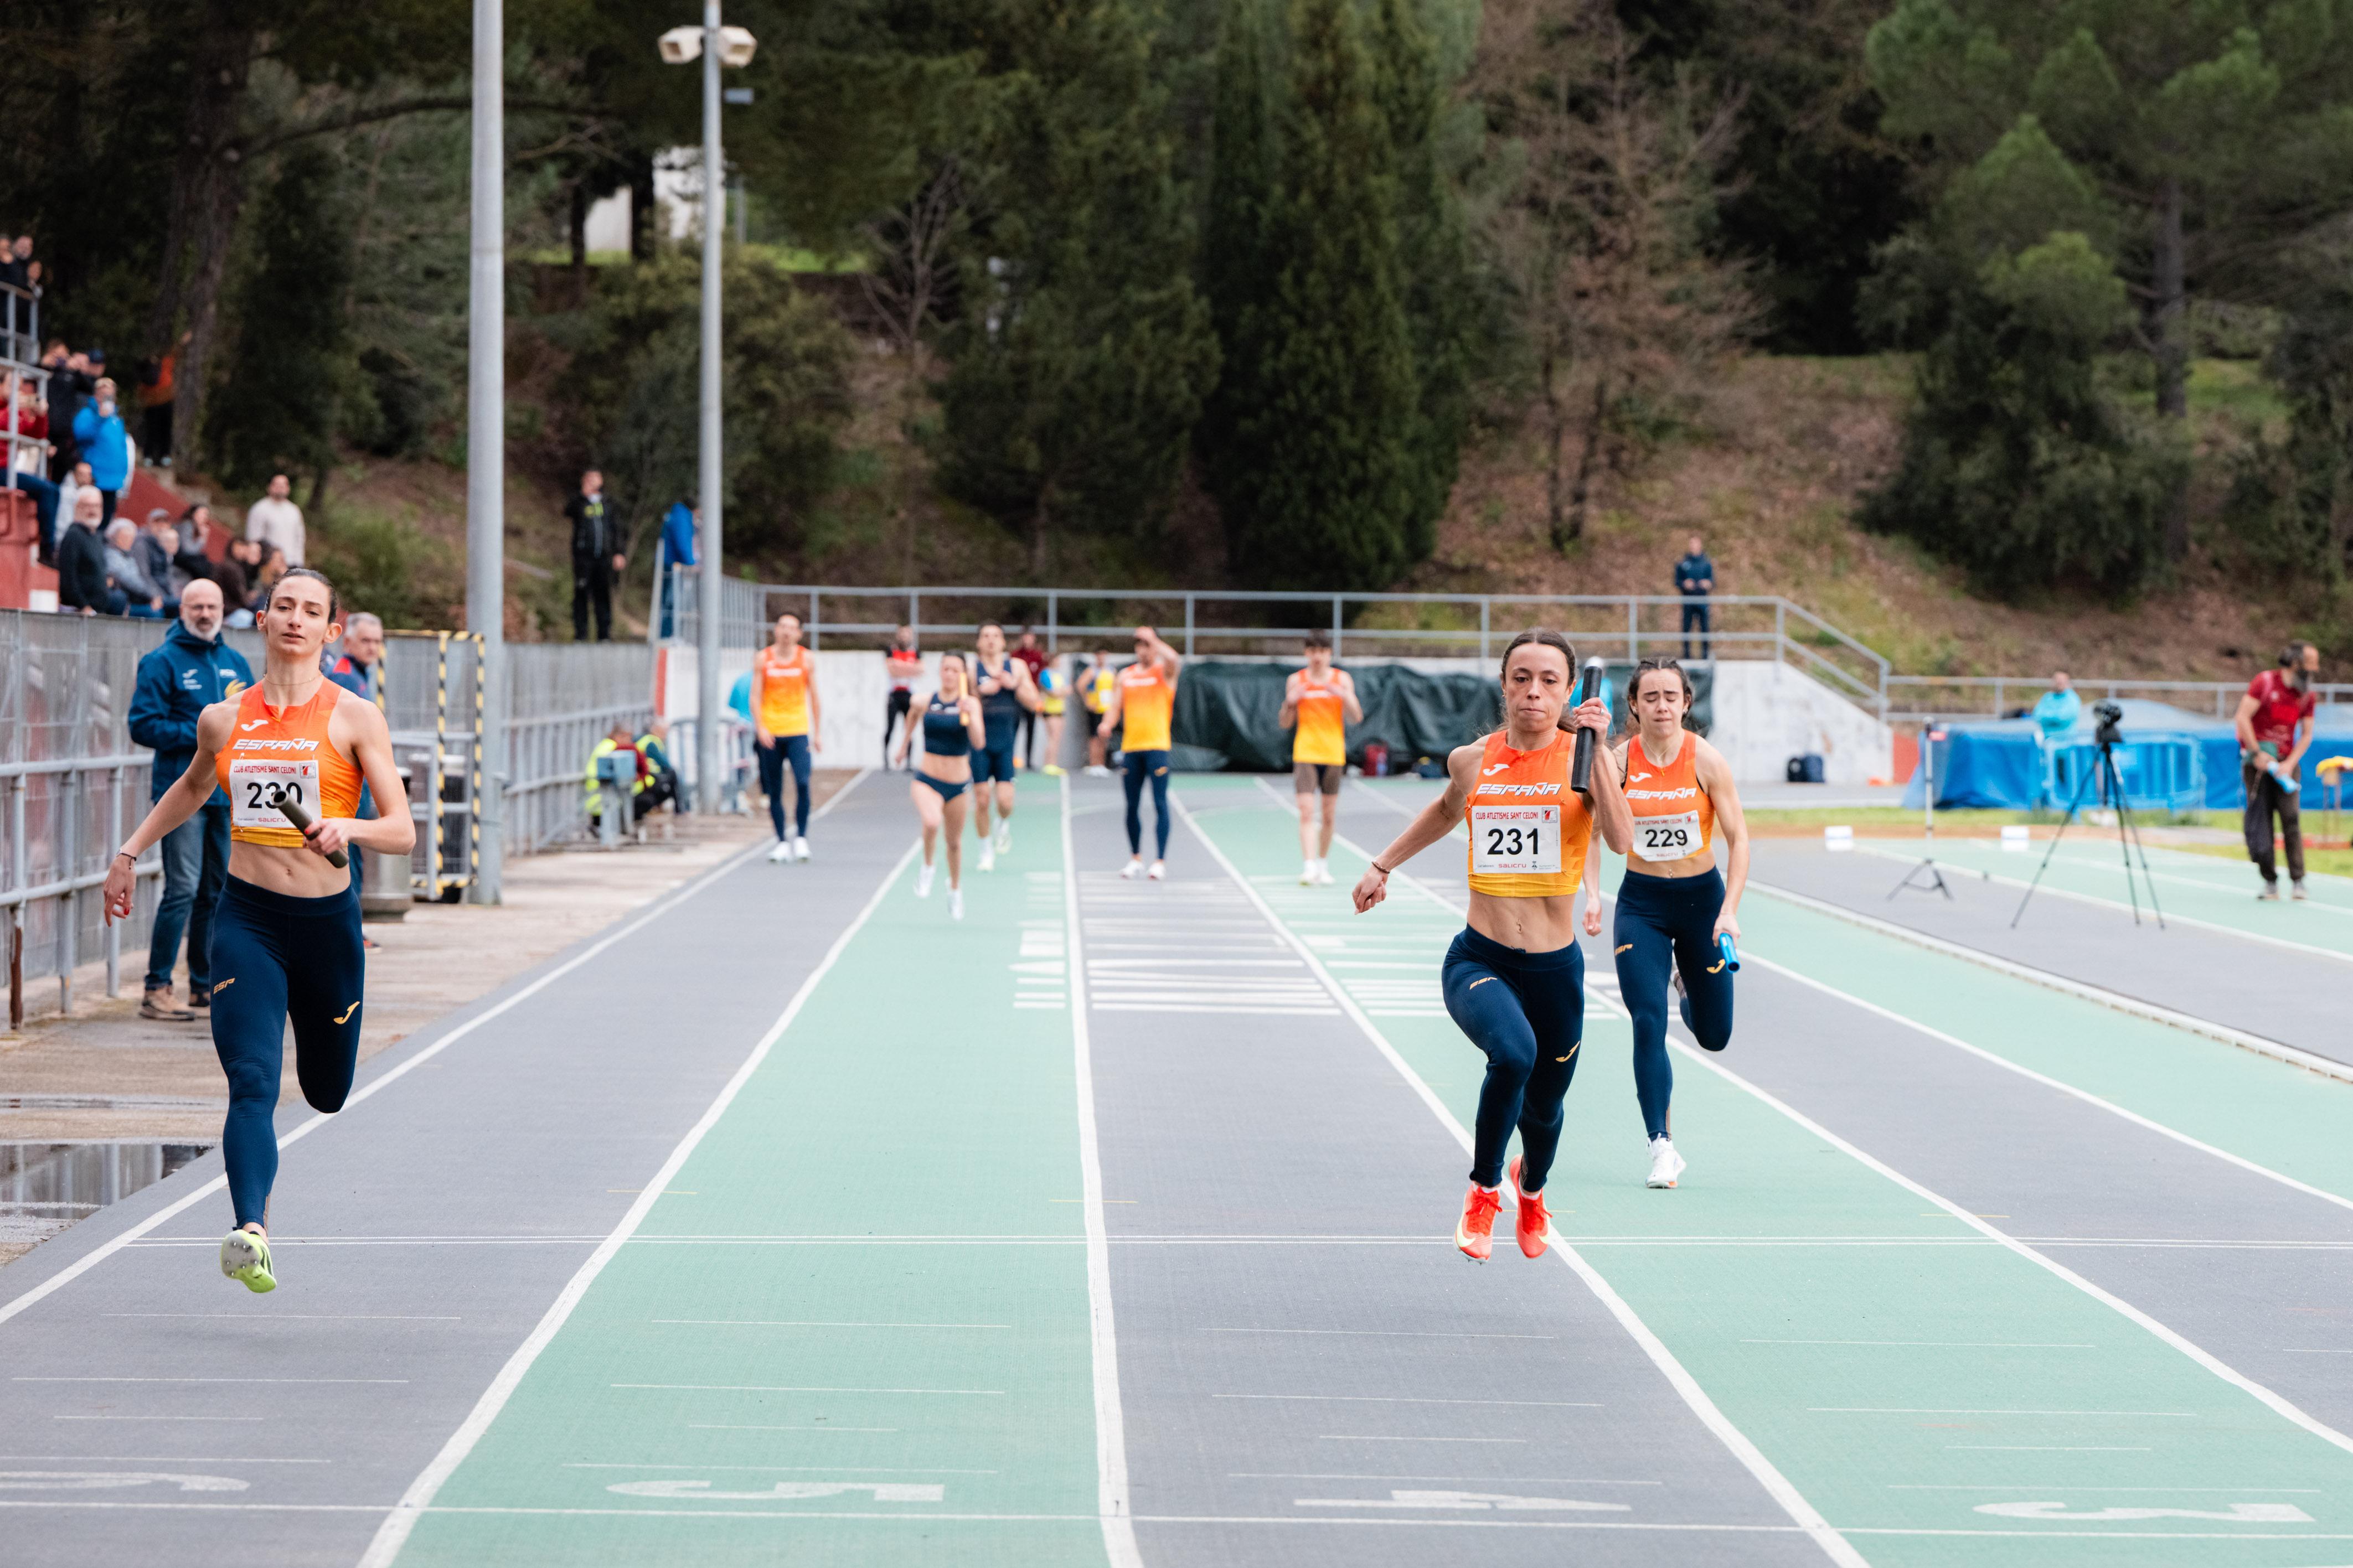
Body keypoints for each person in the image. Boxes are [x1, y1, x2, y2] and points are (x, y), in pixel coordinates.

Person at [102, 567, 416, 1294]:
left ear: (331, 630)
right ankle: (252, 1231)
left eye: (313, 611)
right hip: (247, 919)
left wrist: (350, 825)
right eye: (285, 607)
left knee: (328, 1090)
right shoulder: (224, 717)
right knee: (251, 1082)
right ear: (265, 619)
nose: (297, 619)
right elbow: (191, 785)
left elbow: (401, 830)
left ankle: (308, 1099)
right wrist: (128, 853)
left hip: (325, 925)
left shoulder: (354, 716)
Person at [1351, 630, 1631, 1262]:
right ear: (1503, 685)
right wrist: (1382, 865)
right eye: (1521, 678)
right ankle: (1482, 1189)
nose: (1533, 692)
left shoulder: (1586, 761)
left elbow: (1618, 840)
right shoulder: (1473, 759)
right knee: (1512, 1054)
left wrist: (1601, 750)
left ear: (1567, 691)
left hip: (1555, 969)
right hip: (1480, 958)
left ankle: (1530, 1189)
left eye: (1548, 681)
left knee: (1545, 1110)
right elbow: (1446, 810)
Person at [1582, 658, 1748, 1191]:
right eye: (1650, 697)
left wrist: (1730, 910)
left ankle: (1688, 983)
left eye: (1670, 697)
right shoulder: (1617, 761)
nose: (1660, 706)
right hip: (1643, 906)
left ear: (1685, 703)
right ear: (1632, 704)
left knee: (1715, 1035)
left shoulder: (1707, 761)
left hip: (1703, 903)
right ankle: (1661, 1146)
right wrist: (1591, 895)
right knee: (1647, 1021)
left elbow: (1739, 840)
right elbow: (1588, 834)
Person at [127, 579, 253, 1020]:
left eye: (212, 605)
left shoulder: (235, 661)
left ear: (223, 609)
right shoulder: (162, 661)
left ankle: (204, 985)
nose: (205, 613)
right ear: (182, 609)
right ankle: (156, 986)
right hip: (182, 793)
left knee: (217, 892)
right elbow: (142, 725)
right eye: (196, 605)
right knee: (181, 888)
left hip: (227, 796)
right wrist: (204, 734)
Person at [894, 652, 989, 921]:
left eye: (955, 670)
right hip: (927, 778)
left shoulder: (969, 704)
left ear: (963, 676)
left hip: (958, 783)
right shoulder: (926, 701)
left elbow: (979, 742)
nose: (949, 674)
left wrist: (970, 716)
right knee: (932, 821)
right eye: (945, 669)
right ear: (940, 672)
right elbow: (912, 715)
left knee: (954, 843)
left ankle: (955, 889)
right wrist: (903, 745)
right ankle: (927, 866)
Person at [2237, 641, 2320, 901]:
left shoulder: (2307, 695)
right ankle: (2270, 880)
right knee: (2261, 821)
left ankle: (2298, 880)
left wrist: (2290, 763)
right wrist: (2257, 752)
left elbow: (2306, 735)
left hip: (2286, 765)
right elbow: (2242, 718)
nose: (2315, 670)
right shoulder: (2265, 683)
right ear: (2296, 663)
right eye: (2311, 664)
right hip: (2259, 764)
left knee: (2291, 818)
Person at [1097, 626, 1181, 881]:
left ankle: (1159, 861)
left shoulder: (1163, 672)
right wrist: (1107, 724)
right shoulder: (1125, 676)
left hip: (1157, 747)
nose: (1142, 649)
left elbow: (1175, 660)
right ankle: (1135, 858)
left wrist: (1155, 640)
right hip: (1132, 748)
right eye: (1139, 645)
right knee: (1132, 806)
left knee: (1159, 803)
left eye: (1147, 645)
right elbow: (1115, 706)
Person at [1279, 632, 1363, 886]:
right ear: (1306, 653)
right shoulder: (1296, 680)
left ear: (1329, 654)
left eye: (1322, 651)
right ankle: (1309, 866)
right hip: (1305, 752)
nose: (1317, 657)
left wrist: (1343, 695)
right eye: (1312, 651)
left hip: (1333, 752)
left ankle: (1323, 864)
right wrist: (1290, 702)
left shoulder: (1342, 679)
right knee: (1306, 811)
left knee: (1328, 814)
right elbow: (1285, 723)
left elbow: (1356, 717)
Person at [969, 622, 1040, 870]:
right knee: (981, 799)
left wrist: (1014, 685)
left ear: (1003, 642)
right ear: (979, 642)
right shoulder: (972, 669)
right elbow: (962, 705)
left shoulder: (1017, 667)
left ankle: (1002, 822)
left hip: (1006, 742)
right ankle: (985, 852)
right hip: (979, 743)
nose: (990, 640)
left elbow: (1035, 703)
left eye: (995, 636)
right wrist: (980, 692)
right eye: (985, 636)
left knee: (1005, 802)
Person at [751, 610, 821, 862]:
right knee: (774, 789)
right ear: (775, 630)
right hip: (771, 732)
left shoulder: (806, 659)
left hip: (798, 730)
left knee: (803, 782)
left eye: (792, 628)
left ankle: (801, 838)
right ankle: (781, 840)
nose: (786, 631)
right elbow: (755, 697)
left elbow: (814, 697)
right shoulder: (764, 658)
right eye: (782, 626)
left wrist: (818, 732)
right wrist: (761, 727)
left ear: (799, 633)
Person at [565, 468, 622, 642]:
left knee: (603, 595)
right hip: (584, 557)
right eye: (589, 479)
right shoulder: (579, 502)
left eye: (596, 479)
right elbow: (568, 511)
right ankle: (580, 635)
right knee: (581, 594)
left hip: (604, 557)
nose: (593, 482)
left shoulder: (608, 503)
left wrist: (619, 552)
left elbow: (617, 529)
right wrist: (582, 495)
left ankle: (604, 635)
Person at [71, 377, 130, 523]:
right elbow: (81, 435)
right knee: (90, 518)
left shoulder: (116, 419)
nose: (106, 398)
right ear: (96, 395)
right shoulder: (87, 414)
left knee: (106, 519)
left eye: (110, 395)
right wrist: (100, 419)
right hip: (95, 478)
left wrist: (123, 475)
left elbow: (122, 447)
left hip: (114, 480)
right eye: (103, 394)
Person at [55, 487, 111, 614]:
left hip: (96, 611)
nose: (93, 510)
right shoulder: (74, 535)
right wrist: (84, 606)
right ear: (77, 507)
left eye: (97, 506)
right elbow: (68, 577)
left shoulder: (96, 536)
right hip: (79, 613)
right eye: (87, 506)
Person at [104, 518, 168, 618]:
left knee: (167, 606)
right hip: (125, 604)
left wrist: (155, 595)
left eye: (131, 538)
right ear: (114, 538)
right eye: (124, 538)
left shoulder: (128, 556)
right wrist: (152, 596)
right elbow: (129, 580)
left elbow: (141, 579)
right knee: (156, 612)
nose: (129, 542)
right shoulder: (111, 555)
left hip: (139, 600)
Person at [244, 473, 307, 567]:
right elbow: (254, 537)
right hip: (267, 563)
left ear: (288, 488)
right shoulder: (260, 508)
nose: (280, 488)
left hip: (290, 562)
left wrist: (299, 562)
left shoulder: (294, 511)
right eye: (277, 485)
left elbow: (300, 538)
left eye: (283, 485)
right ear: (269, 487)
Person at [657, 496, 696, 640]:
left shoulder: (679, 515)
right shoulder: (682, 518)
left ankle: (668, 633)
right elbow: (682, 542)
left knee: (671, 600)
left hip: (672, 564)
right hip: (674, 565)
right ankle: (667, 634)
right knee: (671, 600)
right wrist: (691, 563)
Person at [883, 626, 921, 768]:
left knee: (909, 728)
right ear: (898, 636)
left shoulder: (915, 651)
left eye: (907, 634)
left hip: (909, 696)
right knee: (890, 728)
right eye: (902, 634)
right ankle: (886, 759)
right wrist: (909, 669)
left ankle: (909, 762)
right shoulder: (891, 651)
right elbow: (891, 671)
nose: (904, 637)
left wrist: (900, 667)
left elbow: (920, 670)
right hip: (894, 695)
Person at [1080, 644, 1117, 777]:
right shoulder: (1092, 671)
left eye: (1104, 655)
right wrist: (1087, 701)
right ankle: (1094, 764)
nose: (1102, 658)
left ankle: (1101, 764)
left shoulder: (1111, 670)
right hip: (1095, 709)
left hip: (1107, 709)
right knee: (1094, 737)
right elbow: (1080, 685)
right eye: (1100, 655)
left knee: (1104, 737)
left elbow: (1116, 688)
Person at [1013, 628, 1049, 768]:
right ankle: (1012, 758)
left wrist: (1039, 697)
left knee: (1031, 729)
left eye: (1030, 637)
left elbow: (1042, 678)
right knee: (1014, 729)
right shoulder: (1016, 655)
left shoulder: (1038, 656)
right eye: (1025, 637)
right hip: (1017, 698)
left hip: (1032, 699)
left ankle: (1029, 760)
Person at [1675, 533, 1715, 659]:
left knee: (1705, 629)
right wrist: (1684, 584)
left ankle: (1705, 655)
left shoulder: (1706, 563)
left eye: (1696, 544)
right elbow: (1677, 581)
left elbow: (1712, 581)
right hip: (1688, 601)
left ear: (1700, 545)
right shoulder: (1683, 563)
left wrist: (1707, 584)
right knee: (1687, 628)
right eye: (1691, 544)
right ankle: (1687, 655)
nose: (1693, 546)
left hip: (1703, 601)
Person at [328, 612, 385, 698]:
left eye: (377, 642)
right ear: (347, 642)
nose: (372, 648)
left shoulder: (357, 672)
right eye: (365, 640)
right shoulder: (343, 675)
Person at [1036, 659, 1067, 778]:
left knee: (1057, 737)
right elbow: (1052, 692)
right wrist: (1061, 692)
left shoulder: (1059, 675)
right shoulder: (1046, 674)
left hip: (1060, 710)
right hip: (1050, 710)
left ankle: (1053, 763)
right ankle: (1048, 764)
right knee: (1053, 737)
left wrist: (1061, 692)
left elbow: (1067, 689)